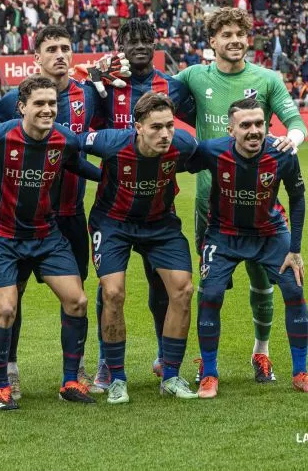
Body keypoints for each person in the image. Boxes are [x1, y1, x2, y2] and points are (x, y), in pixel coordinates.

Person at [175, 7, 308, 383]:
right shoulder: (193, 76)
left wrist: (289, 141)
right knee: (209, 289)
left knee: (263, 283)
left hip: (259, 203)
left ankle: (261, 353)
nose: (235, 41)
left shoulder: (266, 79)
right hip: (209, 207)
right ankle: (204, 362)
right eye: (226, 35)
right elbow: (156, 94)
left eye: (240, 34)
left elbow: (296, 122)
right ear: (212, 41)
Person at [0, 75, 101, 410]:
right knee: (6, 307)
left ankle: (70, 381)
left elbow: (78, 163)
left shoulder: (65, 139)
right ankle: (1, 388)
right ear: (21, 107)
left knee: (77, 300)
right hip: (1, 233)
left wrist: (113, 176)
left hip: (45, 235)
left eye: (52, 103)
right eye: (39, 103)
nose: (47, 109)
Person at [0, 25, 102, 399]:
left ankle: (76, 368)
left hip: (68, 215)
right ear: (35, 57)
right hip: (16, 218)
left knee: (76, 293)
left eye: (66, 48)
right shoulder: (11, 102)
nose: (60, 54)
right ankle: (9, 367)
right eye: (51, 48)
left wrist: (111, 176)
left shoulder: (88, 94)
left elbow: (82, 151)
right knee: (12, 294)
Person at [187, 98, 308, 398]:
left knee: (295, 290)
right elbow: (180, 161)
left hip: (270, 234)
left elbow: (297, 198)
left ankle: (300, 372)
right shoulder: (213, 151)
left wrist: (296, 249)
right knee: (209, 295)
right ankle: (209, 373)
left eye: (259, 124)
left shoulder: (283, 154)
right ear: (231, 129)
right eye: (245, 125)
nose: (253, 131)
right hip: (223, 234)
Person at [92, 18, 194, 390]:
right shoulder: (103, 83)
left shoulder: (174, 87)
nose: (138, 46)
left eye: (145, 40)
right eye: (130, 40)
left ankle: (164, 360)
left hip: (158, 205)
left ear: (155, 43)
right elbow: (85, 131)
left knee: (162, 285)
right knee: (110, 290)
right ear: (119, 43)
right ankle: (106, 361)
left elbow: (196, 130)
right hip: (115, 202)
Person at [80, 93, 199, 403]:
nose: (165, 134)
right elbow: (68, 144)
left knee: (183, 290)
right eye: (156, 127)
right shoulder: (110, 142)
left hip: (160, 223)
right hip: (113, 223)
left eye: (170, 126)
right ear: (138, 128)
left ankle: (171, 374)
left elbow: (209, 156)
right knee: (113, 293)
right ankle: (117, 377)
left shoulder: (183, 145)